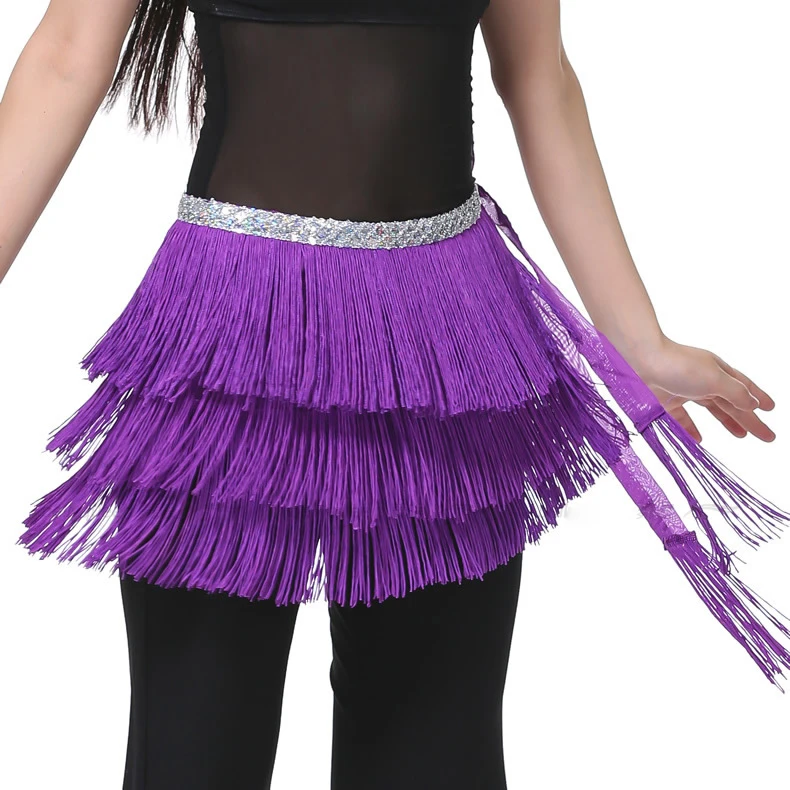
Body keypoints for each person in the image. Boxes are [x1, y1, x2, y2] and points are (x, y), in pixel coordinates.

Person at [1, 1, 789, 788]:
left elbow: (539, 76)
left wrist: (639, 342)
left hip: (442, 355)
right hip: (230, 342)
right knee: (193, 753)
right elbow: (68, 54)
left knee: (435, 758)